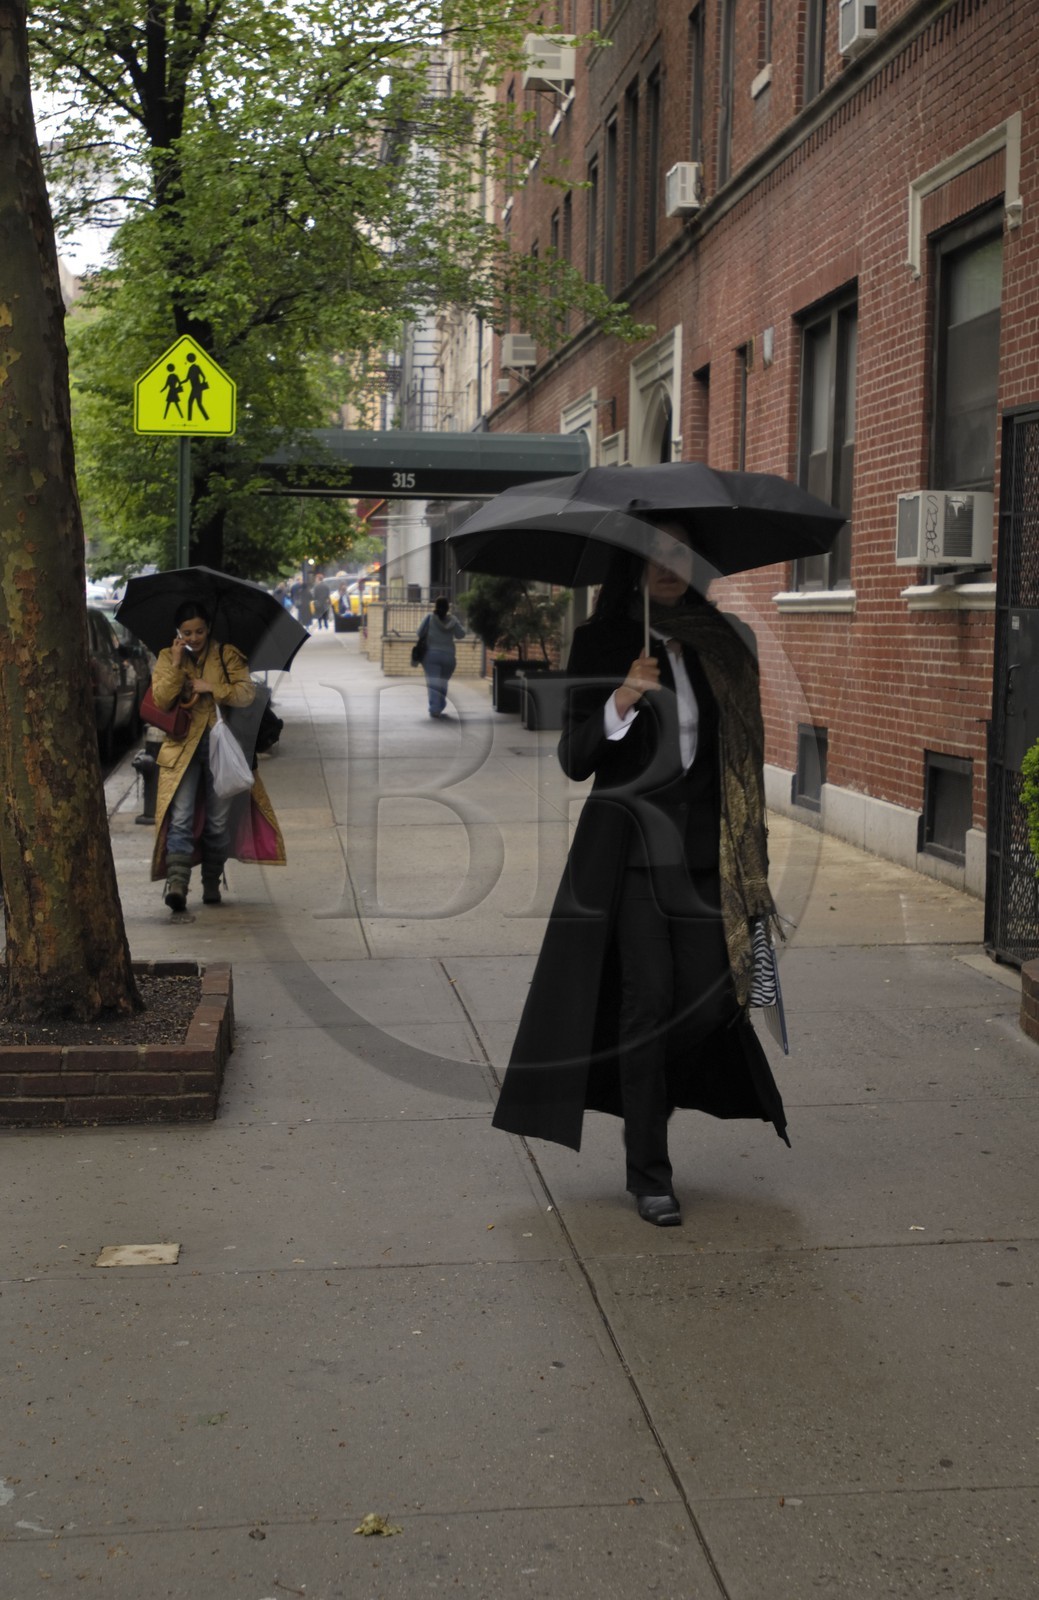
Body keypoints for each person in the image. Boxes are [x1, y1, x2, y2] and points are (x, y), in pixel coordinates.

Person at [491, 522, 787, 1227]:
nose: (667, 566)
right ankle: (649, 1171)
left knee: (714, 1001)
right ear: (633, 565)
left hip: (707, 857)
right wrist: (621, 697)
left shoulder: (722, 643)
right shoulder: (603, 642)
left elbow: (736, 756)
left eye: (680, 552)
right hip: (627, 857)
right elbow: (574, 758)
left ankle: (641, 1076)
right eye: (653, 554)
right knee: (644, 1005)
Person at [149, 600, 286, 913]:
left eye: (199, 631)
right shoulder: (167, 657)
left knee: (217, 822)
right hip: (181, 750)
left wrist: (211, 686)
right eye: (187, 632)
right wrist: (175, 664)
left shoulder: (227, 655)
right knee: (181, 817)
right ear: (178, 632)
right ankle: (178, 885)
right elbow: (161, 699)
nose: (194, 637)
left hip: (221, 748)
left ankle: (211, 882)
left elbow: (246, 693)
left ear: (208, 628)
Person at [417, 596, 465, 718]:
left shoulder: (429, 618)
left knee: (433, 683)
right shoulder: (453, 620)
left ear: (436, 607)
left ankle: (435, 708)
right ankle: (440, 705)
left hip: (431, 656)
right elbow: (461, 635)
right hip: (448, 657)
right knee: (443, 682)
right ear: (448, 608)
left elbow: (419, 633)